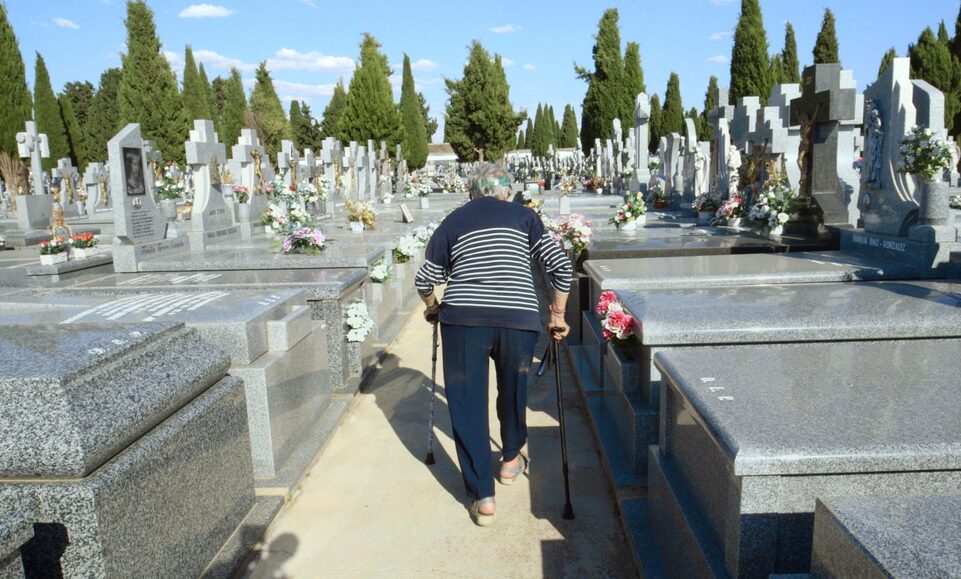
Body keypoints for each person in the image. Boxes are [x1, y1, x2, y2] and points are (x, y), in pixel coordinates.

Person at [414, 163, 573, 527]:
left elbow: (425, 279)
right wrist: (557, 315)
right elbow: (561, 268)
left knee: (466, 403)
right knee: (514, 391)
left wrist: (432, 308)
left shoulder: (454, 220)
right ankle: (511, 460)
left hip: (463, 321)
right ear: (505, 193)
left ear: (471, 193)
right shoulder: (525, 217)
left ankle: (482, 495)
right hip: (517, 319)